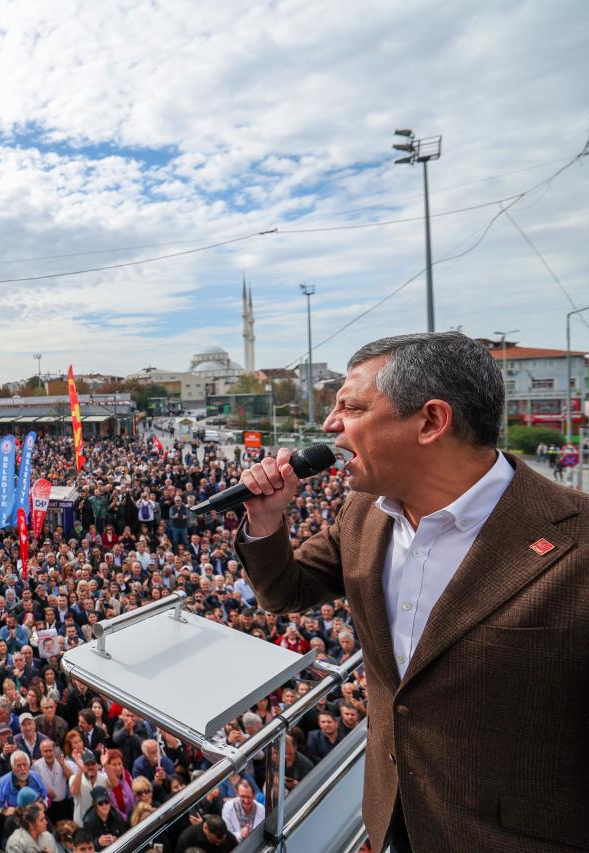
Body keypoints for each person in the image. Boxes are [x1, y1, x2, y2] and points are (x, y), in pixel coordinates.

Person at [235, 332, 589, 853]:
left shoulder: (575, 540)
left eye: (350, 408)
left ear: (430, 421)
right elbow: (287, 591)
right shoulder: (363, 515)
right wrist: (265, 521)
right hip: (392, 816)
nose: (330, 426)